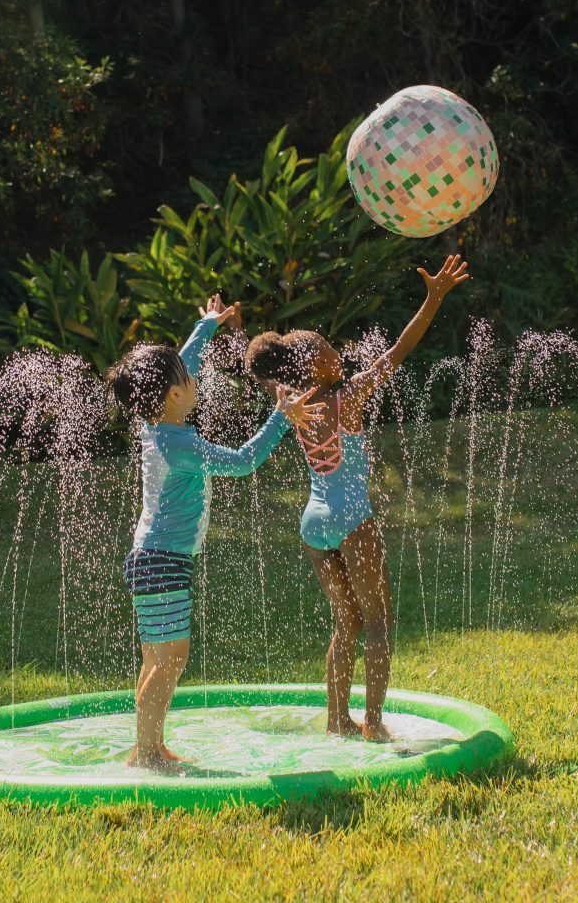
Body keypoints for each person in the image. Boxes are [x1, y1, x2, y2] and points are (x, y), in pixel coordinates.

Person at [244, 255, 471, 740]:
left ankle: (336, 721)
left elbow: (266, 372)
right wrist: (433, 299)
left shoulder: (291, 402)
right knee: (378, 622)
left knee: (344, 623)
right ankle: (373, 724)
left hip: (314, 523)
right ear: (313, 365)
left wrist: (238, 333)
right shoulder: (347, 397)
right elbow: (399, 351)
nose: (338, 354)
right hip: (351, 518)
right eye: (329, 351)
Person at [106, 294, 322, 771]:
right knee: (170, 659)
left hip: (153, 559)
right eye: (187, 379)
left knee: (157, 659)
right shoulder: (180, 445)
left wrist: (207, 325)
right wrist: (281, 418)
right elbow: (244, 461)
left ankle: (150, 747)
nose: (194, 378)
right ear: (172, 395)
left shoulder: (157, 425)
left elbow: (180, 363)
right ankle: (146, 753)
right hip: (162, 561)